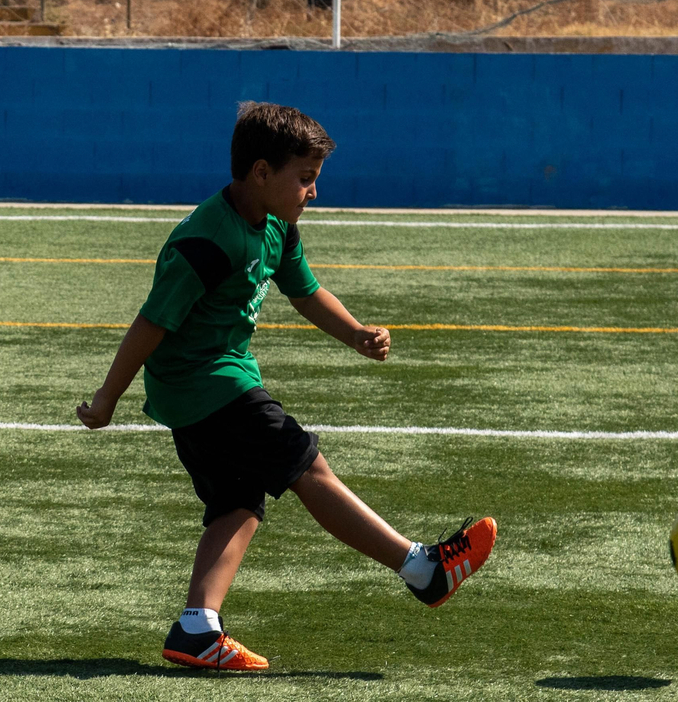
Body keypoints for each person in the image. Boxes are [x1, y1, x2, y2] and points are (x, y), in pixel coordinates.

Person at [77, 102, 496, 670]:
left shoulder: (278, 224)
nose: (313, 192)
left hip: (216, 381)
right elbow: (151, 322)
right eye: (304, 179)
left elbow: (304, 290)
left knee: (239, 503)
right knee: (307, 466)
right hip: (204, 386)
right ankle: (423, 570)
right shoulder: (206, 240)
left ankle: (197, 629)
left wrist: (354, 334)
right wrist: (108, 399)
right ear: (259, 173)